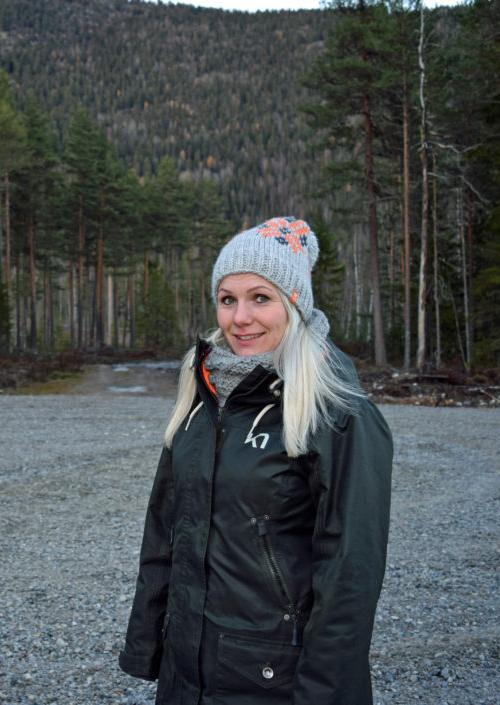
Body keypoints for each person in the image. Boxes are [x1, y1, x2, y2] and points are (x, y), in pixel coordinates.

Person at [118, 217, 393, 705]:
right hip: (187, 673)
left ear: (294, 303)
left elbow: (350, 578)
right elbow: (163, 532)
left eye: (260, 298)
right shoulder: (202, 399)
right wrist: (146, 645)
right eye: (228, 299)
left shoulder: (337, 413)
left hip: (272, 677)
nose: (240, 318)